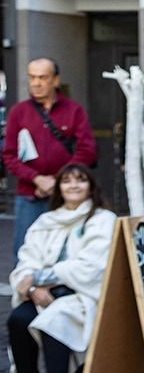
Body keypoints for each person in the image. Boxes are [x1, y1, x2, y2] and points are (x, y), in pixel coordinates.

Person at [1, 165, 117, 373]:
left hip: (82, 297)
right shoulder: (46, 222)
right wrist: (31, 289)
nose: (73, 186)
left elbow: (91, 268)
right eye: (66, 181)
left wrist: (41, 279)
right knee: (18, 320)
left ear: (90, 186)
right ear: (59, 188)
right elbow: (25, 264)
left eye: (80, 180)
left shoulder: (102, 220)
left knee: (55, 319)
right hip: (42, 296)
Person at [1, 58, 97, 260]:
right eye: (32, 77)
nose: (36, 83)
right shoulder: (19, 112)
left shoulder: (74, 111)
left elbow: (86, 151)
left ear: (55, 80)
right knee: (25, 251)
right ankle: (27, 291)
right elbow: (9, 155)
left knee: (67, 251)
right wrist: (36, 179)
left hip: (67, 196)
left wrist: (56, 181)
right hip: (29, 195)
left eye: (42, 77)